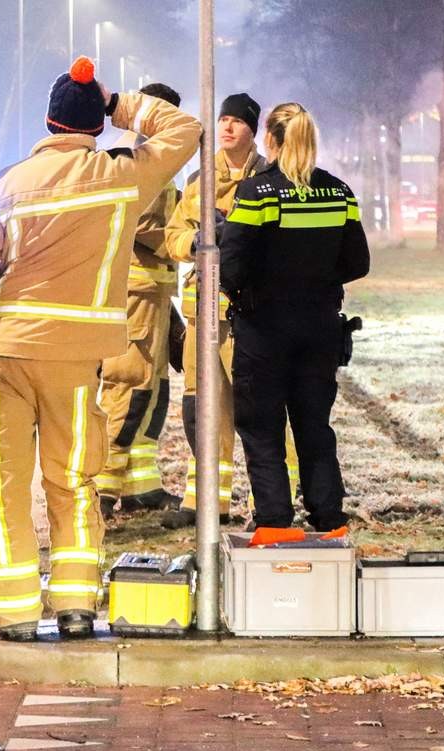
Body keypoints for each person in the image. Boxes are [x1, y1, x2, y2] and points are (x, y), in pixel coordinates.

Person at [0, 57, 199, 642]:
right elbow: (185, 130)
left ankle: (13, 612)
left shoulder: (7, 184)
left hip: (5, 354)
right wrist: (117, 102)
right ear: (96, 127)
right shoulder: (120, 176)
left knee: (5, 483)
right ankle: (74, 607)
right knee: (72, 480)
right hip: (75, 357)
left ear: (46, 121)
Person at [221, 102, 369, 532]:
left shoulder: (256, 193)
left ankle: (274, 523)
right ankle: (328, 519)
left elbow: (230, 267)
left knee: (263, 429)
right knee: (314, 428)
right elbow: (357, 262)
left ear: (270, 140)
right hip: (320, 328)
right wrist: (316, 280)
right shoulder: (339, 192)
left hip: (264, 331)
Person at [160, 93, 300, 530]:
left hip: (249, 314)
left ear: (252, 130)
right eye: (222, 119)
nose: (227, 128)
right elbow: (173, 235)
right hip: (204, 315)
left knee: (261, 410)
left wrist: (238, 239)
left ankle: (279, 499)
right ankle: (204, 503)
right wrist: (199, 241)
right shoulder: (201, 177)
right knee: (204, 410)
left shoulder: (270, 178)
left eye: (237, 122)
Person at [95, 82, 185, 521]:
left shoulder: (150, 158)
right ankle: (98, 489)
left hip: (155, 290)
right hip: (136, 288)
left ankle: (139, 487)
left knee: (152, 389)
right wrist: (194, 240)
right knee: (127, 385)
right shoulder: (136, 160)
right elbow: (145, 227)